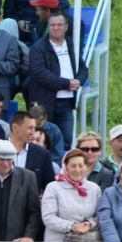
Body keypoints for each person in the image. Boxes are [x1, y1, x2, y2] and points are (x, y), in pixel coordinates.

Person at [27, 12, 86, 149]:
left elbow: (83, 68)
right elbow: (39, 73)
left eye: (59, 25)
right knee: (43, 140)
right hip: (45, 103)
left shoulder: (72, 44)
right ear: (48, 27)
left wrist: (78, 81)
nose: (56, 28)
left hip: (67, 102)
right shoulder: (38, 47)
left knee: (66, 140)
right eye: (52, 25)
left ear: (66, 27)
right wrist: (66, 84)